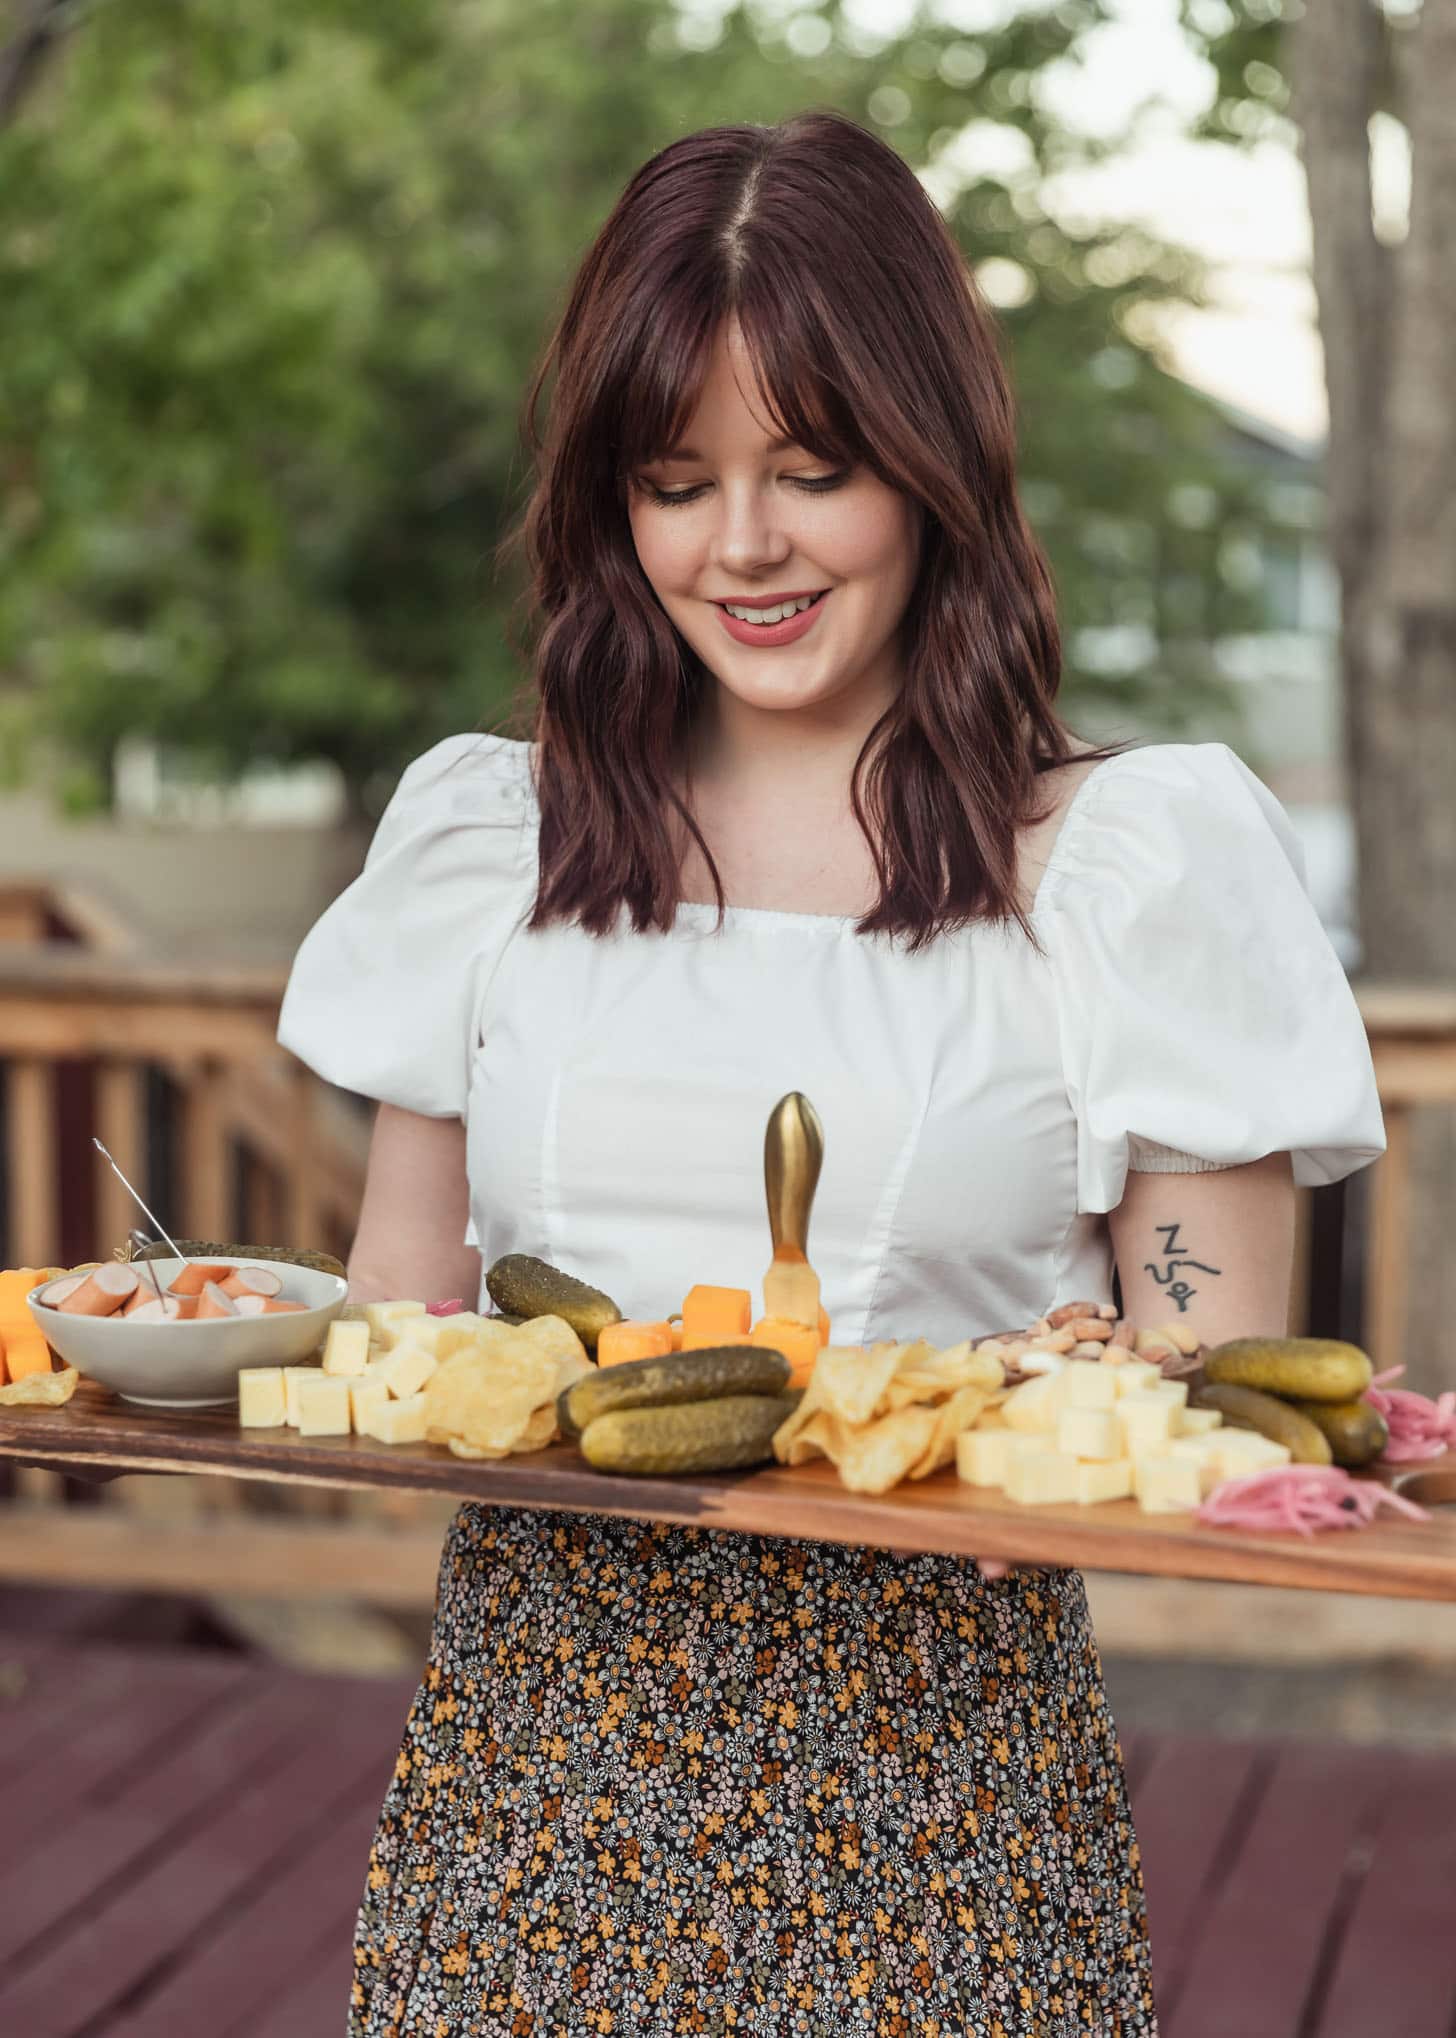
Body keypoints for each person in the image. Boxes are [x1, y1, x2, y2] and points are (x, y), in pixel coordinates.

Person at [277, 110, 1385, 2038]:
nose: (746, 544)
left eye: (816, 466)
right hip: (528, 1785)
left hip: (943, 1806)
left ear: (932, 467)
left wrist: (1117, 1369)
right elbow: (397, 1330)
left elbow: (1207, 1388)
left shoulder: (1126, 869)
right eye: (677, 477)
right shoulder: (493, 845)